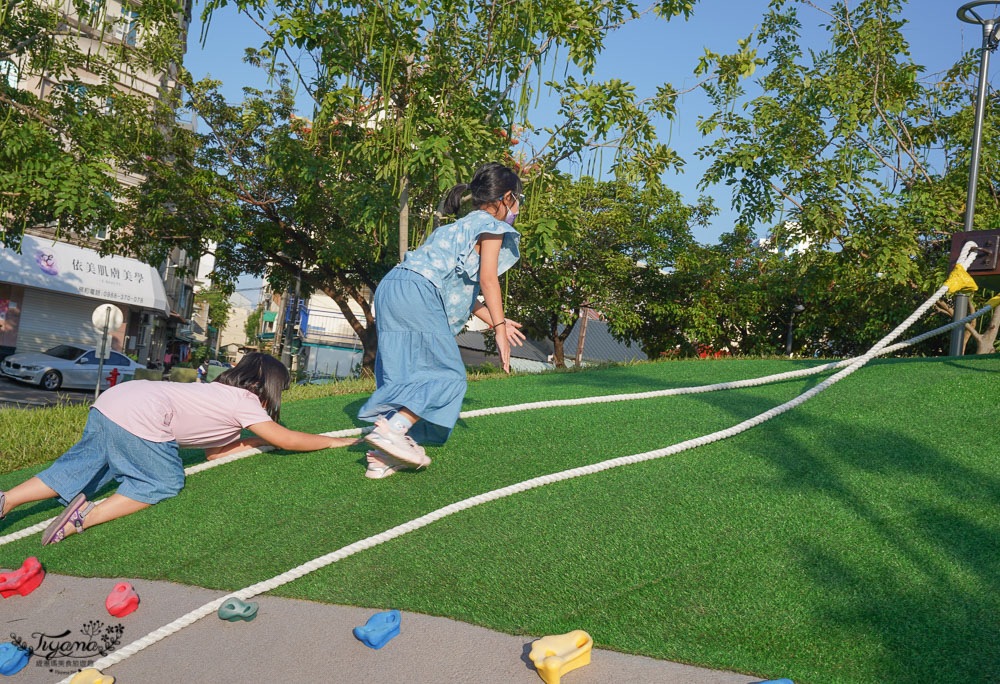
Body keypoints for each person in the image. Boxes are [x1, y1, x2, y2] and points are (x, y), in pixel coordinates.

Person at [0, 352, 358, 544]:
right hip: (143, 413)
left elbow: (216, 453)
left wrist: (254, 442)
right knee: (163, 481)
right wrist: (333, 441)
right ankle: (85, 517)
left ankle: (7, 500)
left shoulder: (215, 394)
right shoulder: (245, 400)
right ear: (268, 387)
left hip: (113, 401)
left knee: (82, 466)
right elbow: (286, 438)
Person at [358, 162, 527, 479]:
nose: (517, 207)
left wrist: (494, 319)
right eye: (517, 199)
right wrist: (501, 331)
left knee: (406, 375)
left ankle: (383, 455)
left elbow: (460, 287)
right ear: (506, 198)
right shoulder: (492, 227)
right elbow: (489, 280)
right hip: (419, 292)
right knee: (448, 377)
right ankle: (392, 430)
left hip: (394, 286)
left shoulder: (454, 228)